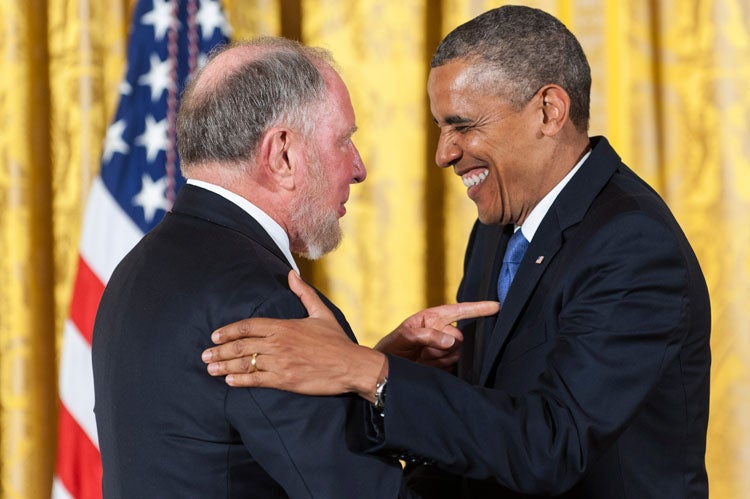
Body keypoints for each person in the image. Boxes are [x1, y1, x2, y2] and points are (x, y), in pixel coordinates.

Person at [202, 6, 711, 499]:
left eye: (462, 125)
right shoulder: (496, 229)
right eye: (440, 128)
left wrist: (368, 372)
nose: (444, 153)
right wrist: (402, 371)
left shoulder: (631, 243)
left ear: (549, 111)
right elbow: (486, 437)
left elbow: (551, 447)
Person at [92, 37, 496, 497]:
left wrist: (374, 365)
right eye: (344, 140)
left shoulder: (137, 268)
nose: (359, 168)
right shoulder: (267, 305)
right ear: (282, 153)